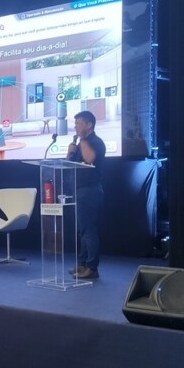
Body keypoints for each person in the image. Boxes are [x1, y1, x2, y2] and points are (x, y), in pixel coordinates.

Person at [66, 111, 105, 280]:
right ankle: (82, 265)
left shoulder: (96, 142)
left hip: (90, 190)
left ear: (89, 125)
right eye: (75, 123)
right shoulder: (79, 144)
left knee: (89, 230)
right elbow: (68, 164)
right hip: (78, 190)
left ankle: (92, 267)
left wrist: (81, 140)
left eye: (78, 123)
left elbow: (89, 159)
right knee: (82, 230)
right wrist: (69, 152)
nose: (75, 126)